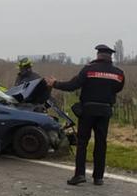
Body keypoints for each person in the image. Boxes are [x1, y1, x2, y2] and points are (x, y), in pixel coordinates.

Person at [46, 44, 125, 186]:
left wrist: (55, 83)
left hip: (88, 110)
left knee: (82, 143)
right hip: (105, 111)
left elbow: (72, 85)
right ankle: (98, 177)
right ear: (110, 57)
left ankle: (80, 175)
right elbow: (118, 88)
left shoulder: (88, 70)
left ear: (98, 55)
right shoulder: (118, 73)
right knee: (101, 143)